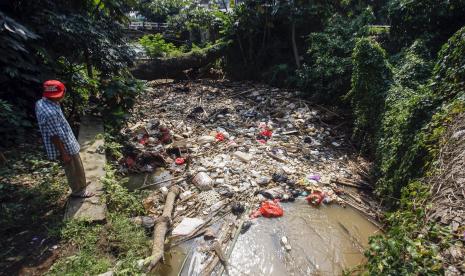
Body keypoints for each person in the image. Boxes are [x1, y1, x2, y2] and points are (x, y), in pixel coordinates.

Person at [35, 80, 94, 198]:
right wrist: (64, 153)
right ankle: (78, 191)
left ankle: (81, 184)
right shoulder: (49, 113)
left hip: (68, 140)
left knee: (77, 165)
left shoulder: (42, 102)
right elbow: (54, 135)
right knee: (72, 168)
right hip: (64, 145)